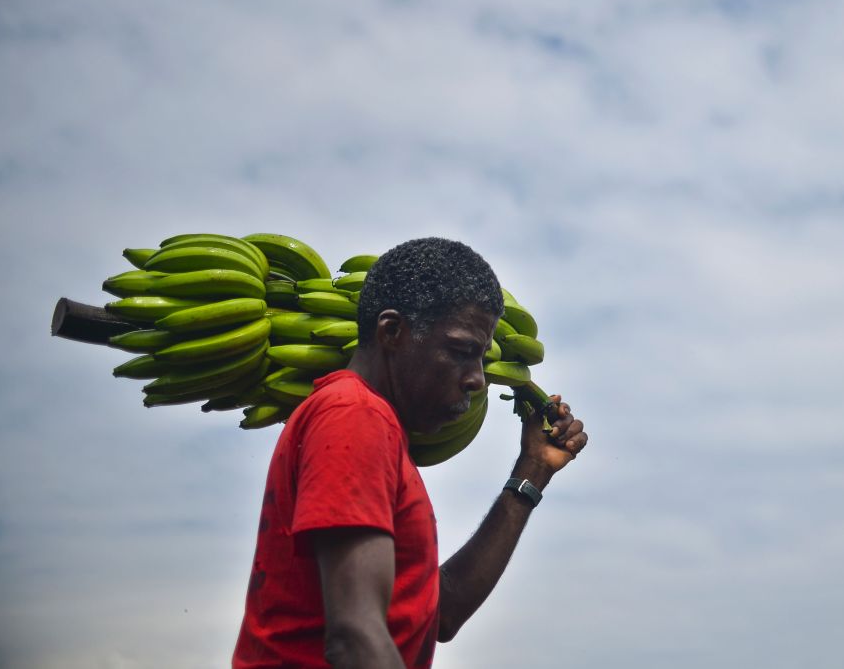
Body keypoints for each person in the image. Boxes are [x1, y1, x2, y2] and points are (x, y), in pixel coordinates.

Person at [232, 238, 588, 668]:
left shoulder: (377, 427)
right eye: (461, 352)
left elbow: (441, 613)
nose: (477, 379)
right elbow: (355, 636)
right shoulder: (353, 415)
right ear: (392, 332)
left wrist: (532, 470)